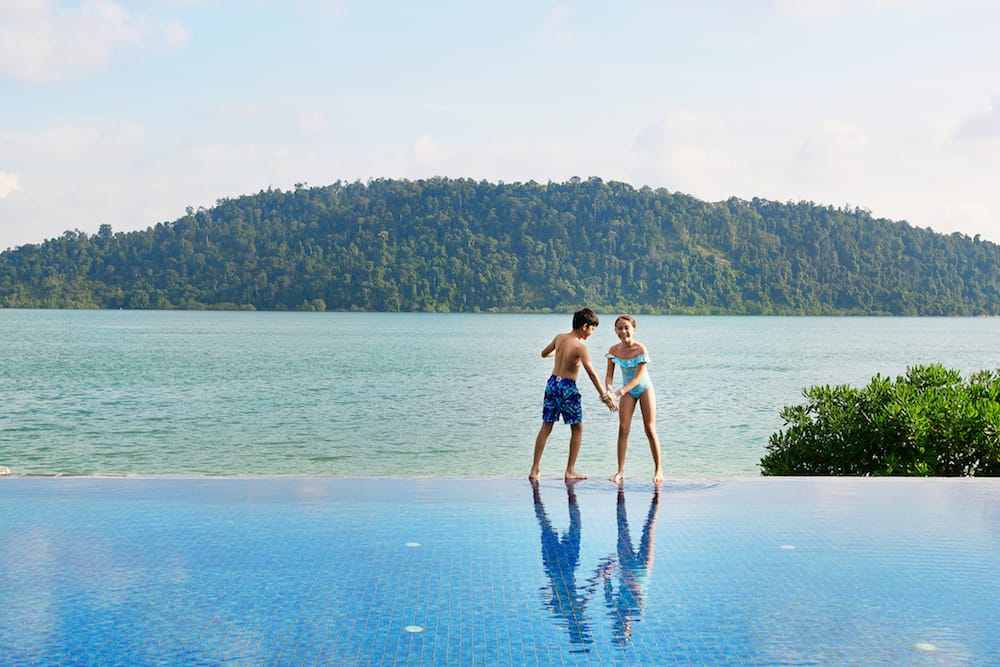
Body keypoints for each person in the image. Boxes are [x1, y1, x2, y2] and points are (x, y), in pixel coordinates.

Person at [530, 308, 617, 481]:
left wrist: (560, 354)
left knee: (546, 426)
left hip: (552, 383)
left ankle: (534, 469)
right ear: (585, 326)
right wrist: (605, 397)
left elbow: (544, 353)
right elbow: (592, 373)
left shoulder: (560, 338)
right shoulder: (580, 347)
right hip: (567, 387)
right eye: (592, 329)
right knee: (577, 428)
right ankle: (570, 470)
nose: (592, 333)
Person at [604, 314, 663, 483]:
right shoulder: (613, 350)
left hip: (644, 389)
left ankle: (658, 469)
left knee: (650, 430)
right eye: (620, 328)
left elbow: (637, 379)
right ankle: (620, 471)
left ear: (634, 330)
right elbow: (609, 376)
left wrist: (617, 394)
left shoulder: (640, 349)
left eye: (626, 328)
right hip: (626, 392)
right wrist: (609, 391)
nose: (623, 331)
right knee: (623, 429)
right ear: (615, 331)